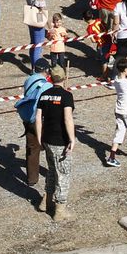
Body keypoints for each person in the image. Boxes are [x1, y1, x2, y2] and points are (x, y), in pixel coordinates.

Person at [37, 66, 75, 221]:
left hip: (46, 138)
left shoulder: (44, 95)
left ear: (50, 78)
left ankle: (45, 202)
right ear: (64, 77)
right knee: (63, 174)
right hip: (60, 141)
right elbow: (68, 118)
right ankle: (60, 210)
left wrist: (39, 138)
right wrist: (72, 139)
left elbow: (38, 118)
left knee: (52, 170)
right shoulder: (66, 96)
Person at [22, 0, 49, 70]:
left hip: (31, 20)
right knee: (38, 47)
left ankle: (33, 67)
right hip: (37, 20)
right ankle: (36, 69)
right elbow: (42, 10)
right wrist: (49, 26)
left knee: (33, 44)